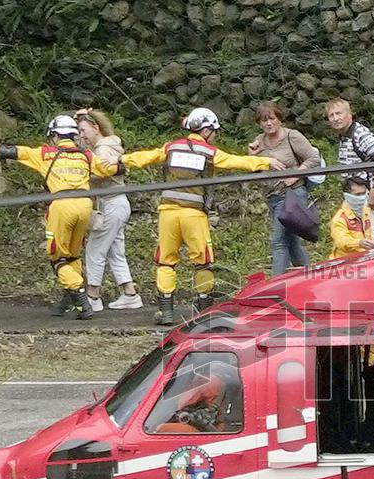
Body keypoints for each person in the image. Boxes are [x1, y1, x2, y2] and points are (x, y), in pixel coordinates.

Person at [114, 108, 283, 325]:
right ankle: (204, 310)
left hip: (168, 213)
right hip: (194, 215)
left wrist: (121, 159)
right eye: (214, 132)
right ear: (205, 130)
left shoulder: (171, 147)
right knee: (203, 262)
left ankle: (166, 311)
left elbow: (146, 157)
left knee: (166, 262)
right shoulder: (209, 152)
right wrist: (266, 162)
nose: (215, 136)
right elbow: (235, 162)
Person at [0, 115, 120, 319]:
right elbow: (114, 168)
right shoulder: (86, 155)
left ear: (55, 136)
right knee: (73, 255)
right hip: (85, 205)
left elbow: (11, 151)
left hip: (61, 206)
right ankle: (68, 301)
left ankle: (82, 299)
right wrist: (123, 161)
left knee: (58, 258)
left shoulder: (45, 154)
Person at [74, 108, 142, 312]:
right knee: (115, 252)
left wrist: (79, 175)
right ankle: (130, 293)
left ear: (96, 128)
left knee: (95, 250)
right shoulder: (110, 145)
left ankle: (93, 296)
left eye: (83, 130)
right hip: (116, 203)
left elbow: (101, 173)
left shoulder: (103, 149)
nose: (81, 135)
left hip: (111, 203)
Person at [247, 101, 321, 276]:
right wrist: (252, 157)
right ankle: (308, 277)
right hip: (272, 196)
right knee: (292, 241)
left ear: (279, 119)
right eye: (264, 120)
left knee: (278, 241)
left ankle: (276, 286)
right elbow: (255, 169)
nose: (269, 123)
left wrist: (295, 174)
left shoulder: (291, 136)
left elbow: (313, 158)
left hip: (292, 195)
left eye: (272, 118)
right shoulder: (259, 142)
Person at [326, 98, 374, 245]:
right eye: (331, 115)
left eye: (339, 113)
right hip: (353, 197)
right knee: (356, 239)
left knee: (371, 240)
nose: (336, 118)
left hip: (367, 197)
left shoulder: (360, 134)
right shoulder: (344, 135)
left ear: (350, 115)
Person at [329, 175, 374, 259]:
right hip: (345, 262)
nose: (362, 197)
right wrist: (358, 243)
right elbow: (341, 241)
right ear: (347, 196)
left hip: (364, 258)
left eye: (364, 193)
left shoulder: (366, 211)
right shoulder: (340, 219)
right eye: (358, 194)